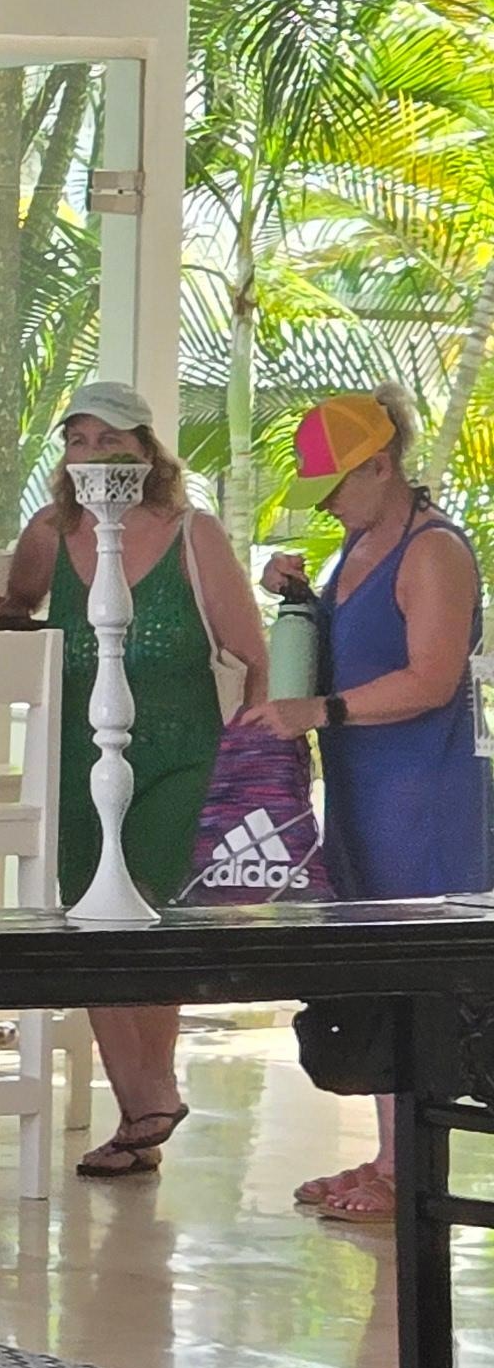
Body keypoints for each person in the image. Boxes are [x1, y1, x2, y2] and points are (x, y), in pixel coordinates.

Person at [0, 379, 271, 1178]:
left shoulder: (193, 536)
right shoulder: (48, 532)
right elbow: (25, 613)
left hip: (179, 752)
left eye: (111, 440)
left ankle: (150, 1096)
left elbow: (252, 650)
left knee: (153, 913)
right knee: (89, 917)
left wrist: (257, 757)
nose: (94, 455)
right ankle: (144, 1106)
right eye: (79, 440)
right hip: (78, 755)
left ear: (146, 450)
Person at [251, 391, 488, 1225]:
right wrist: (301, 598)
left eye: (337, 486)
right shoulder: (361, 542)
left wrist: (319, 714)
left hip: (421, 796)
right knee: (377, 976)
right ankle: (393, 1157)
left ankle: (412, 1163)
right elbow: (355, 652)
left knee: (420, 980)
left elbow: (430, 676)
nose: (329, 504)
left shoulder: (434, 553)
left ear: (382, 465)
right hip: (361, 791)